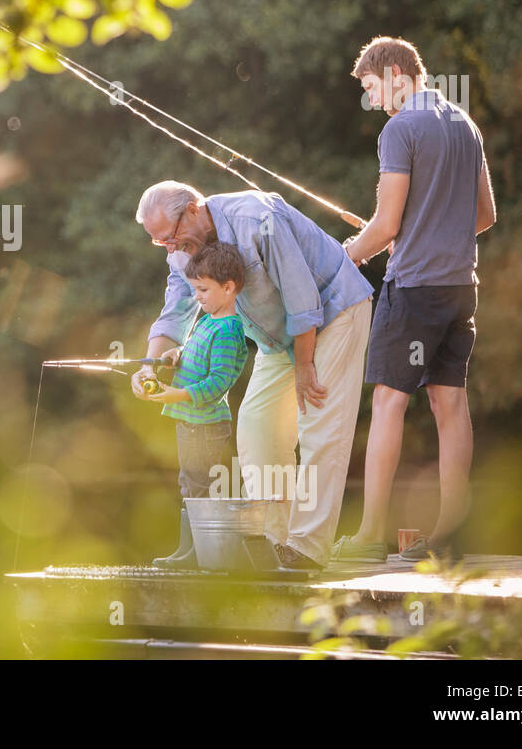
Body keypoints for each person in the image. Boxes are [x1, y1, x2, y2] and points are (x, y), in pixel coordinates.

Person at [133, 181, 373, 570]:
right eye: (161, 243)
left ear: (194, 208)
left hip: (333, 310)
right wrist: (149, 364)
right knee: (257, 425)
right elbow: (176, 305)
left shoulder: (257, 218)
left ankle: (307, 548)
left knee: (319, 423)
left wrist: (305, 364)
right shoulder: (182, 251)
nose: (171, 248)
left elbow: (302, 297)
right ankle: (273, 540)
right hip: (277, 335)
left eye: (172, 236)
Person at [332, 36, 496, 564]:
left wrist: (346, 257)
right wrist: (429, 231)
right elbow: (485, 215)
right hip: (461, 288)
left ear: (398, 73)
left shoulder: (400, 129)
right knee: (451, 403)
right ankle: (450, 535)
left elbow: (384, 226)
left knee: (387, 402)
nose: (374, 99)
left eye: (373, 87)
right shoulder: (464, 125)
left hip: (414, 290)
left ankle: (369, 536)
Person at [144, 242, 250, 569]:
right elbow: (196, 358)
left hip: (205, 426)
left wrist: (178, 394)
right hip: (189, 423)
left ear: (229, 288)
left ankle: (199, 555)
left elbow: (218, 382)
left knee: (200, 485)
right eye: (195, 289)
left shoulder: (229, 329)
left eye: (203, 289)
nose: (198, 297)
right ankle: (187, 551)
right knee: (189, 483)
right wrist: (176, 356)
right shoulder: (206, 320)